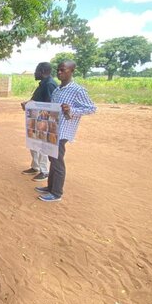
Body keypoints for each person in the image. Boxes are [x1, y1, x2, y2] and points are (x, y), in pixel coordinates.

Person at [36, 60, 96, 202]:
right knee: (52, 158)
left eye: (63, 70)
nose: (59, 72)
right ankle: (50, 187)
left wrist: (72, 110)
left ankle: (57, 193)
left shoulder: (77, 90)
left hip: (63, 131)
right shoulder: (57, 89)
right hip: (53, 129)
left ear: (71, 71)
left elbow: (92, 108)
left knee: (57, 161)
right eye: (58, 70)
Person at [21, 62, 58, 182]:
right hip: (35, 119)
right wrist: (28, 104)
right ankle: (35, 166)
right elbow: (38, 100)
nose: (34, 73)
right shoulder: (43, 84)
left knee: (43, 145)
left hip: (43, 121)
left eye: (36, 70)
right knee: (34, 143)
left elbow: (49, 106)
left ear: (42, 71)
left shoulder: (49, 85)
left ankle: (44, 171)